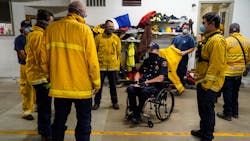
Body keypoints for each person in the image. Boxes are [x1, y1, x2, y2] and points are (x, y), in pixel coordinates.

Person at [44, 1, 100, 141]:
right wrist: (96, 82)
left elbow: (43, 59)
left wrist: (49, 77)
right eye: (85, 12)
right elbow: (92, 61)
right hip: (82, 89)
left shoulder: (51, 29)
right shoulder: (84, 30)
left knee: (59, 121)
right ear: (80, 12)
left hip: (60, 87)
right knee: (84, 122)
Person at [191, 12, 227, 141]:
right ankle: (203, 130)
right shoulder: (209, 38)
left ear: (212, 23)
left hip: (210, 84)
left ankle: (208, 136)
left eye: (204, 23)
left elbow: (215, 65)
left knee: (207, 110)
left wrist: (207, 84)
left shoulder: (217, 41)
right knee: (202, 109)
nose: (202, 25)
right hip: (203, 80)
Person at [25, 9, 54, 141]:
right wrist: (48, 75)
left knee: (43, 106)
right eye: (51, 22)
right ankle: (45, 133)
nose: (51, 25)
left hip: (38, 75)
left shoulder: (35, 33)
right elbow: (41, 59)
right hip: (41, 77)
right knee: (45, 107)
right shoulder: (38, 35)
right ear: (45, 21)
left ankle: (44, 129)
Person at [126, 42, 168, 124]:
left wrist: (147, 82)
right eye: (149, 49)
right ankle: (134, 110)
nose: (150, 51)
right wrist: (136, 81)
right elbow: (138, 72)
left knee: (144, 92)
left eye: (152, 50)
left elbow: (160, 78)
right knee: (130, 89)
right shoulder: (147, 61)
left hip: (155, 86)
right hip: (143, 84)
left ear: (157, 51)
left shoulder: (162, 62)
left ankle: (137, 113)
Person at [217, 23, 250, 121]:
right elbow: (248, 58)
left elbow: (221, 57)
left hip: (228, 72)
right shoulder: (247, 41)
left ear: (230, 31)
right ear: (239, 30)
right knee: (235, 92)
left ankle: (227, 114)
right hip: (239, 72)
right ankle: (235, 112)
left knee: (227, 93)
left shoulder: (226, 41)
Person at [92, 20, 122, 110]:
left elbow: (118, 52)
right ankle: (96, 103)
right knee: (98, 87)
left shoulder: (116, 38)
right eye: (109, 27)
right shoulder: (98, 38)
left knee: (113, 86)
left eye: (112, 27)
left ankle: (115, 102)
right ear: (105, 27)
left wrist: (117, 66)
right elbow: (94, 52)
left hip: (112, 67)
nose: (111, 28)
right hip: (101, 67)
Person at [14, 20, 36, 120]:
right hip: (25, 66)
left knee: (36, 88)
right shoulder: (19, 39)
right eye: (26, 26)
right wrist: (33, 58)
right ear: (22, 28)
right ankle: (27, 111)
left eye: (30, 26)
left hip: (34, 67)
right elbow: (22, 55)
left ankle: (36, 106)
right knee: (27, 89)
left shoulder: (31, 37)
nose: (29, 28)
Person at [172, 23, 195, 87]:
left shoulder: (190, 38)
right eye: (184, 28)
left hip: (183, 58)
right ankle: (176, 85)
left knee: (181, 72)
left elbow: (192, 48)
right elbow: (173, 45)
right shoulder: (177, 37)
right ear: (182, 28)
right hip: (176, 57)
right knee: (175, 71)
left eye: (187, 29)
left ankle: (181, 86)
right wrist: (173, 49)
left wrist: (184, 52)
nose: (186, 29)